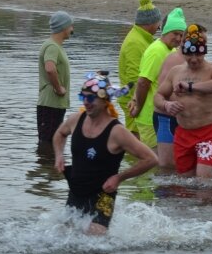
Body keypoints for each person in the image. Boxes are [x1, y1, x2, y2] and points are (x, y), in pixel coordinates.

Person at [53, 72, 158, 235]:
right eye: (83, 97)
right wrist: (59, 155)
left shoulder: (117, 132)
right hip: (76, 191)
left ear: (105, 100)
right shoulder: (76, 120)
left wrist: (119, 178)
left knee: (95, 245)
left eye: (91, 98)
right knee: (65, 240)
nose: (86, 103)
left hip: (104, 196)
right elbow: (59, 133)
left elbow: (151, 159)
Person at [154, 24, 212, 178]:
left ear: (204, 50)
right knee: (185, 186)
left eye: (198, 55)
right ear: (183, 50)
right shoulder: (176, 71)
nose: (194, 60)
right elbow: (158, 96)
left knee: (203, 183)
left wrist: (190, 87)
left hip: (208, 133)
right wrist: (166, 105)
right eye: (189, 55)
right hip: (182, 134)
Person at [129, 7, 186, 152]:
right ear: (165, 31)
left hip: (164, 116)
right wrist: (138, 107)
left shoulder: (171, 50)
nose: (178, 39)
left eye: (181, 35)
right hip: (149, 117)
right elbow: (143, 82)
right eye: (175, 34)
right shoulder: (156, 51)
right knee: (152, 162)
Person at [153, 24, 207, 169]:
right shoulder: (174, 60)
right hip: (166, 118)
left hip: (185, 120)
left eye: (205, 43)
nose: (203, 45)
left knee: (186, 166)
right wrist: (170, 104)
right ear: (186, 40)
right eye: (201, 41)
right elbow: (161, 91)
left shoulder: (199, 63)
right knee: (167, 166)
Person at [117, 0, 163, 139]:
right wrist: (136, 104)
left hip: (141, 99)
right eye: (158, 23)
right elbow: (133, 78)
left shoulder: (142, 38)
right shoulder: (135, 43)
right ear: (149, 23)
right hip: (133, 101)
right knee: (137, 143)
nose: (159, 27)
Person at [37, 10, 73, 145]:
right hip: (50, 104)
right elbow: (50, 68)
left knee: (52, 142)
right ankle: (47, 166)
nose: (72, 29)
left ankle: (49, 165)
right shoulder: (52, 46)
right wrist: (58, 89)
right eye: (70, 26)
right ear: (63, 27)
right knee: (48, 144)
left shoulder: (55, 46)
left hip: (54, 104)